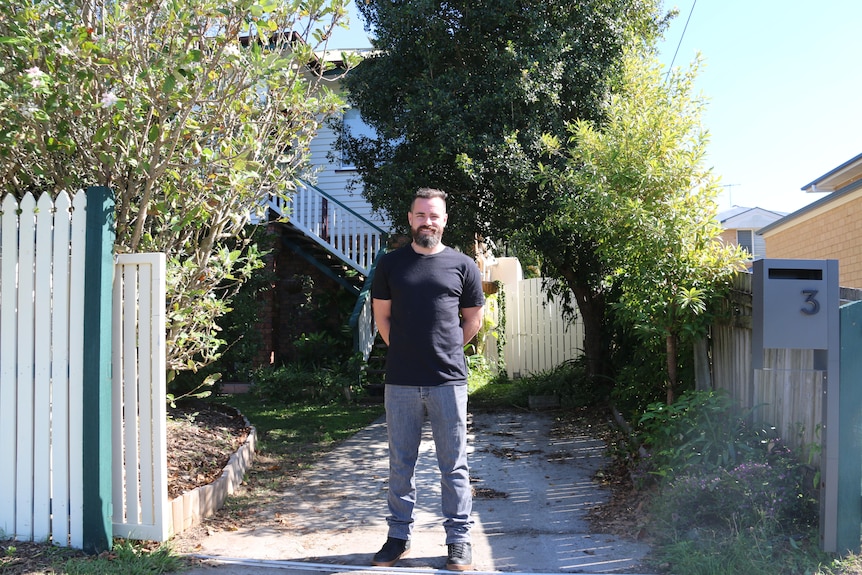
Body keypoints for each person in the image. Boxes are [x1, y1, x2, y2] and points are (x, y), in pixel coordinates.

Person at [370, 188, 485, 571]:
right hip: (401, 380)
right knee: (400, 464)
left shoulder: (463, 265)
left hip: (448, 381)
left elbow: (472, 321)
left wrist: (445, 349)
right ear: (410, 218)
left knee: (453, 465)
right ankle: (397, 537)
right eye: (421, 215)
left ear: (444, 220)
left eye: (434, 215)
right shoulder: (390, 265)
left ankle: (459, 541)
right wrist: (406, 350)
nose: (427, 222)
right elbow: (381, 319)